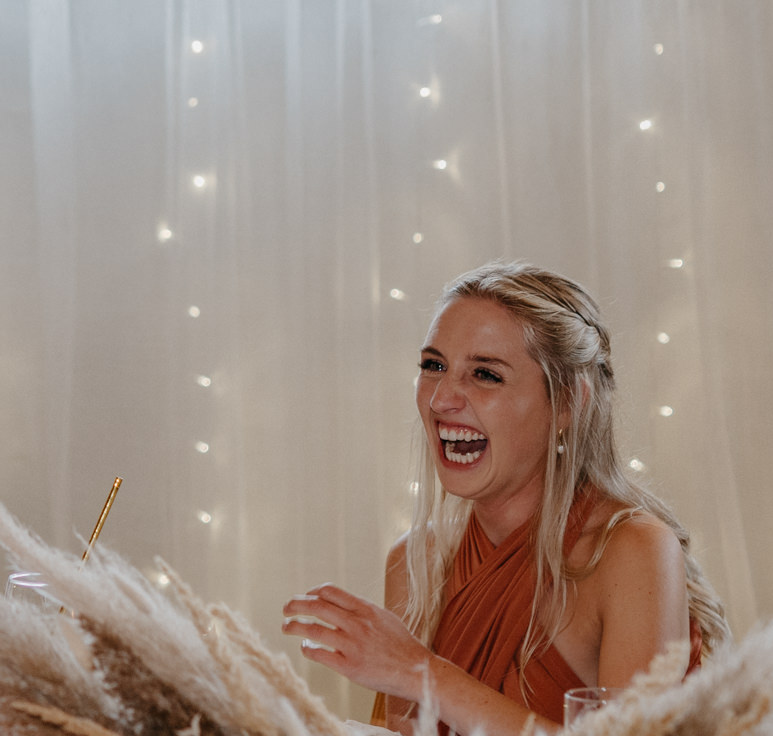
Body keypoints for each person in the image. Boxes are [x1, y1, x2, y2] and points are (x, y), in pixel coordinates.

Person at [282, 262, 729, 736]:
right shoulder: (416, 562)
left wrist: (421, 672)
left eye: (485, 374)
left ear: (568, 403)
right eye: (434, 366)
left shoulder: (633, 552)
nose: (440, 400)